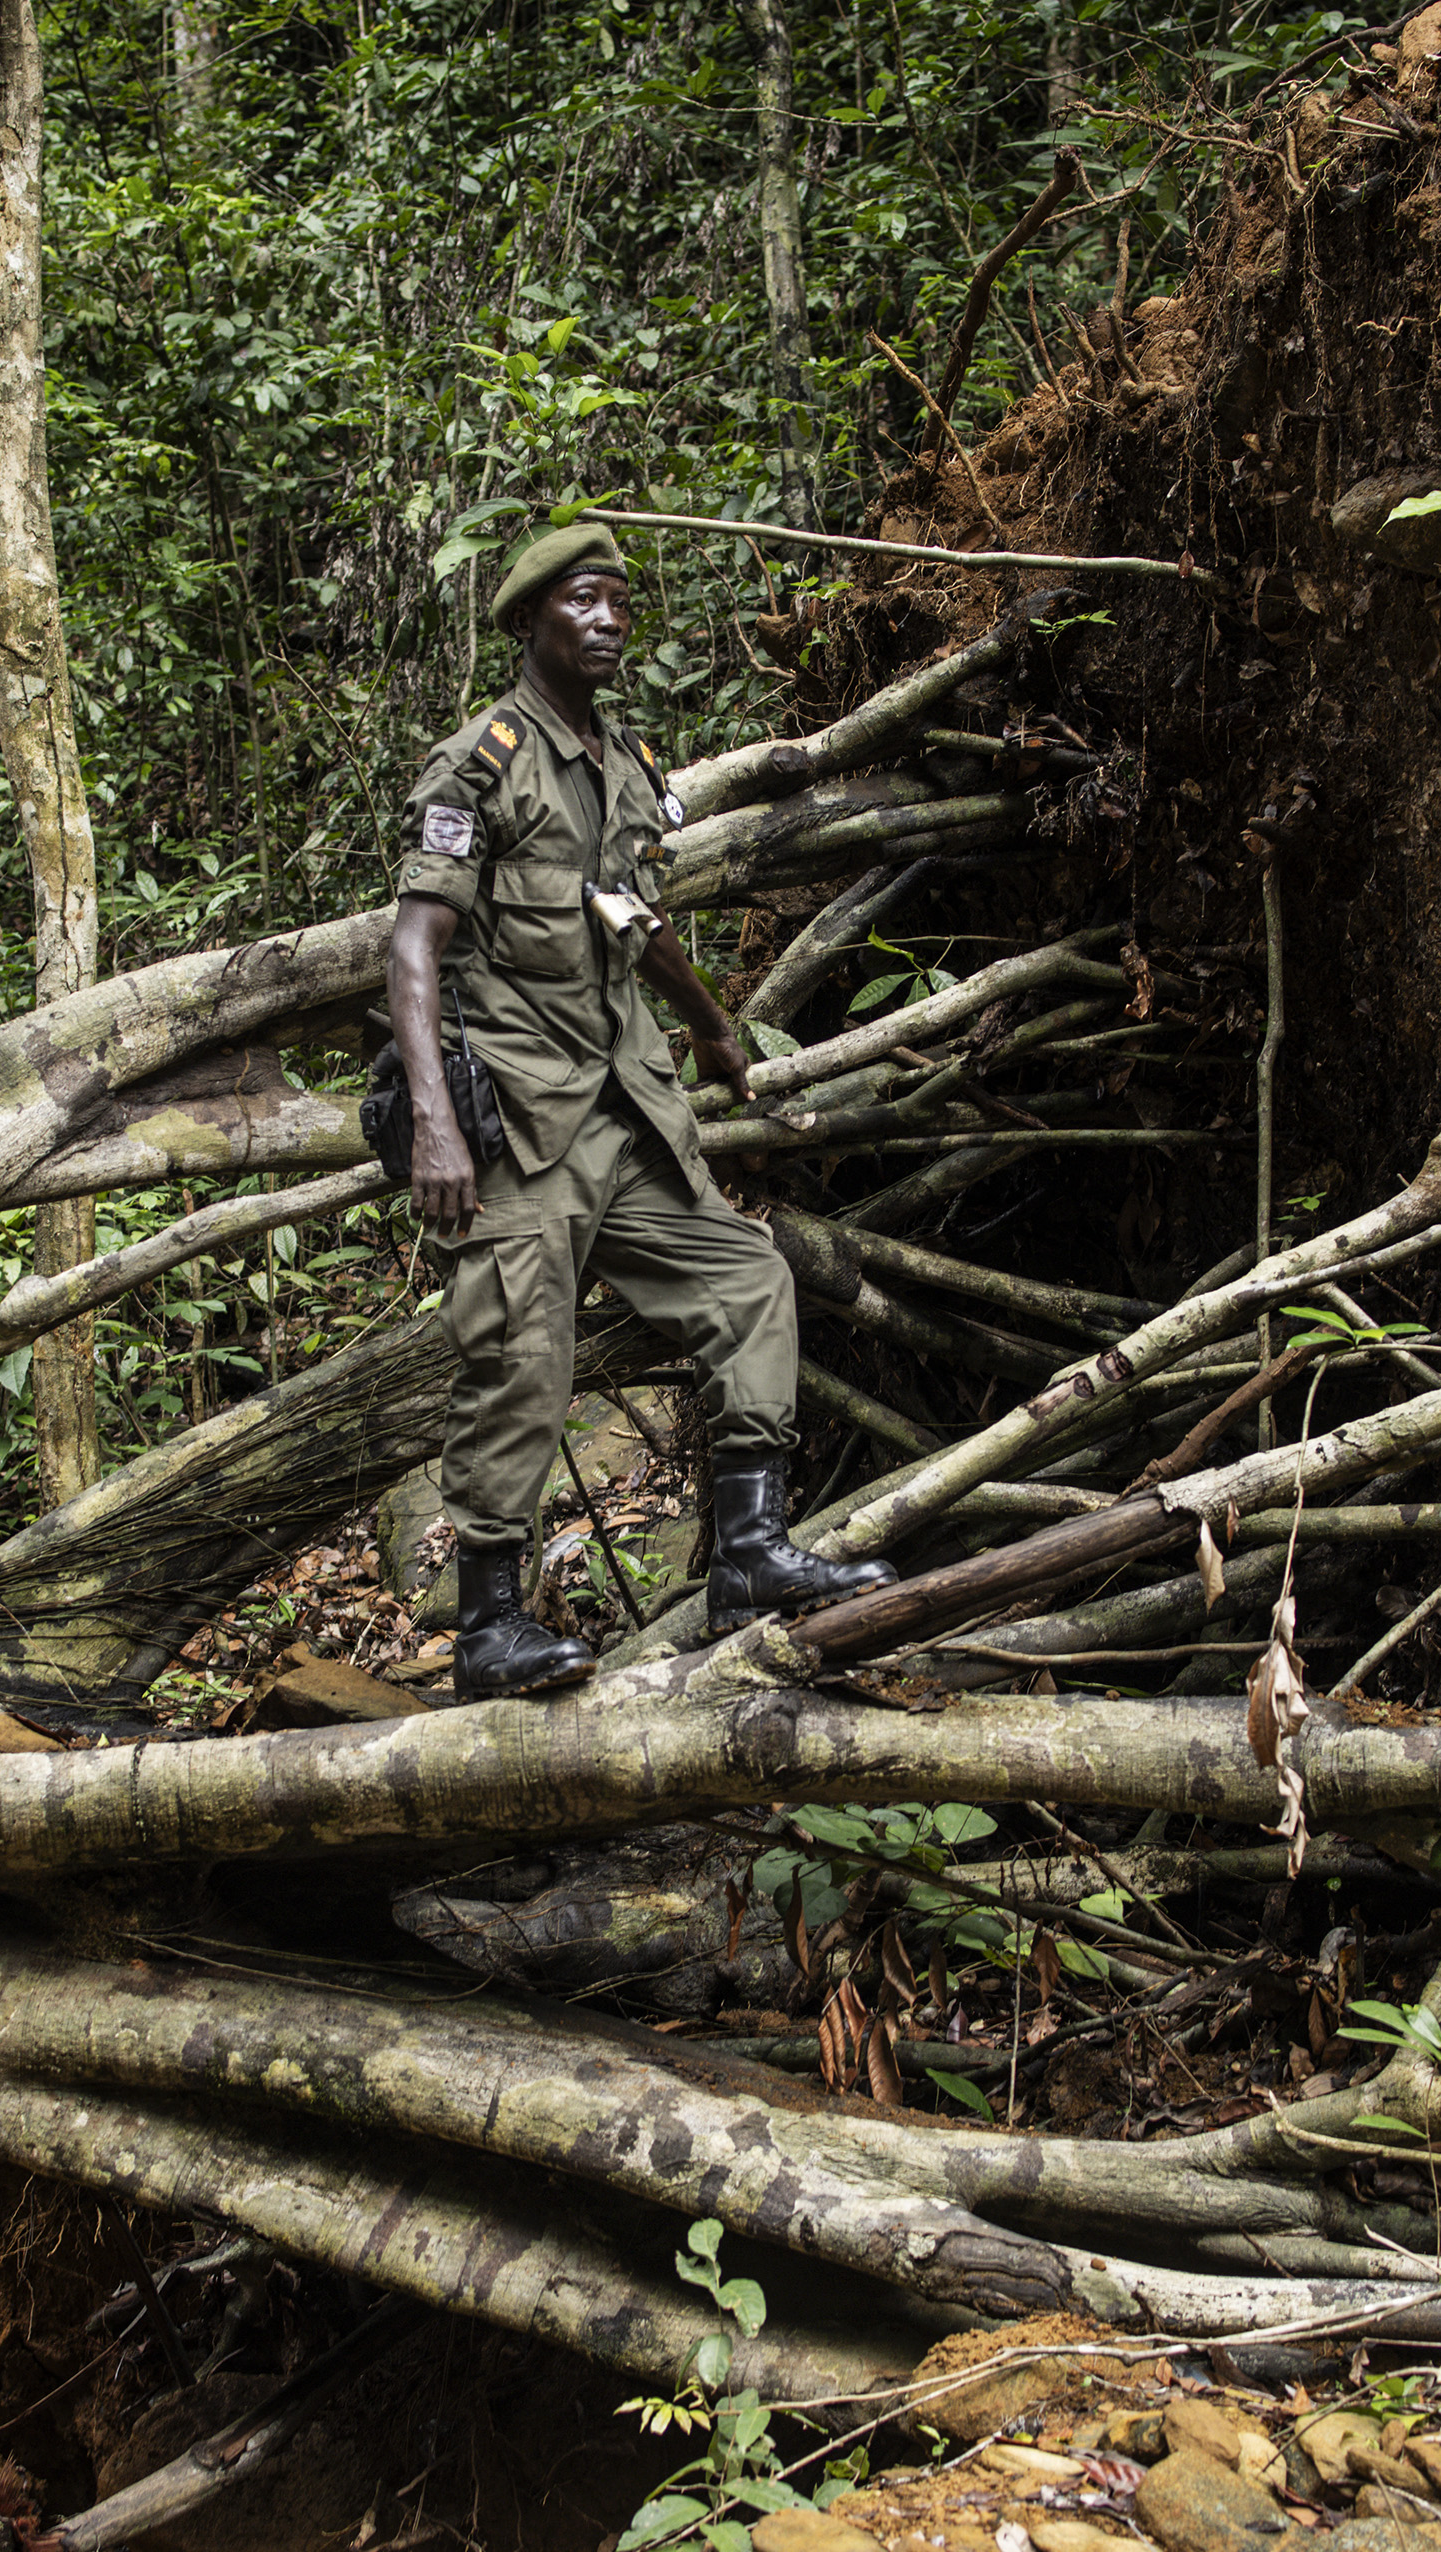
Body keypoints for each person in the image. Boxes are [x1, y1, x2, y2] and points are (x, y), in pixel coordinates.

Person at [386, 521, 898, 1698]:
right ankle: (488, 1626)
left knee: (747, 1276)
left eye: (620, 601)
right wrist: (434, 1123)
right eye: (583, 600)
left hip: (626, 1111)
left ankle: (751, 1552)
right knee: (524, 1352)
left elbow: (627, 913)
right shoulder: (481, 763)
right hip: (520, 1120)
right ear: (529, 622)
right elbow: (413, 947)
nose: (609, 619)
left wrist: (710, 1022)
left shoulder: (623, 762)